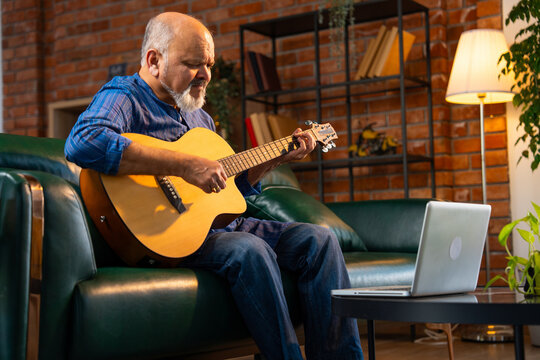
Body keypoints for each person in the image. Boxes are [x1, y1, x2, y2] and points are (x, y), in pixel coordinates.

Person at [65, 12, 363, 360]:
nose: (205, 75)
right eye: (193, 64)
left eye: (209, 64)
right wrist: (184, 165)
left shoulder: (200, 117)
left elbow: (230, 188)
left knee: (321, 240)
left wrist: (277, 158)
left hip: (219, 227)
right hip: (168, 236)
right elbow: (83, 141)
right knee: (250, 249)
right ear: (154, 60)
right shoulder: (125, 95)